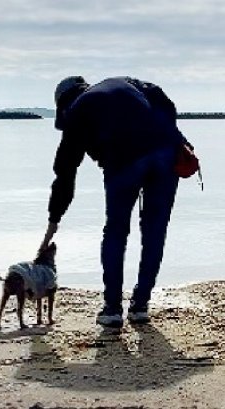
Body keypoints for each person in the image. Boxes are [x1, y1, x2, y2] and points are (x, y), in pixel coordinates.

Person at [38, 76, 192, 328]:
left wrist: (53, 222)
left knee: (116, 231)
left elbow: (65, 173)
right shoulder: (125, 83)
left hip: (124, 162)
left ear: (64, 104)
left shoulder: (78, 110)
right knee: (154, 230)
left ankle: (112, 309)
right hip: (165, 154)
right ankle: (140, 306)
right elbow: (163, 100)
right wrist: (175, 138)